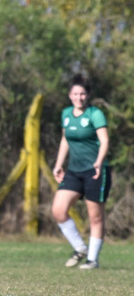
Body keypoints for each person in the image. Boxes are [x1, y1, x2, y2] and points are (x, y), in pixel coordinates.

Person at [51, 74, 111, 270]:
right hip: (74, 171)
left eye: (83, 94)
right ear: (70, 95)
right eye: (76, 94)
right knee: (58, 210)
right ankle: (80, 248)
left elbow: (104, 140)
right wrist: (59, 164)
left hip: (95, 171)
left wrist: (98, 162)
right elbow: (65, 140)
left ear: (88, 95)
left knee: (95, 216)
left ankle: (92, 260)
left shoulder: (95, 114)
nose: (79, 97)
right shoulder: (66, 114)